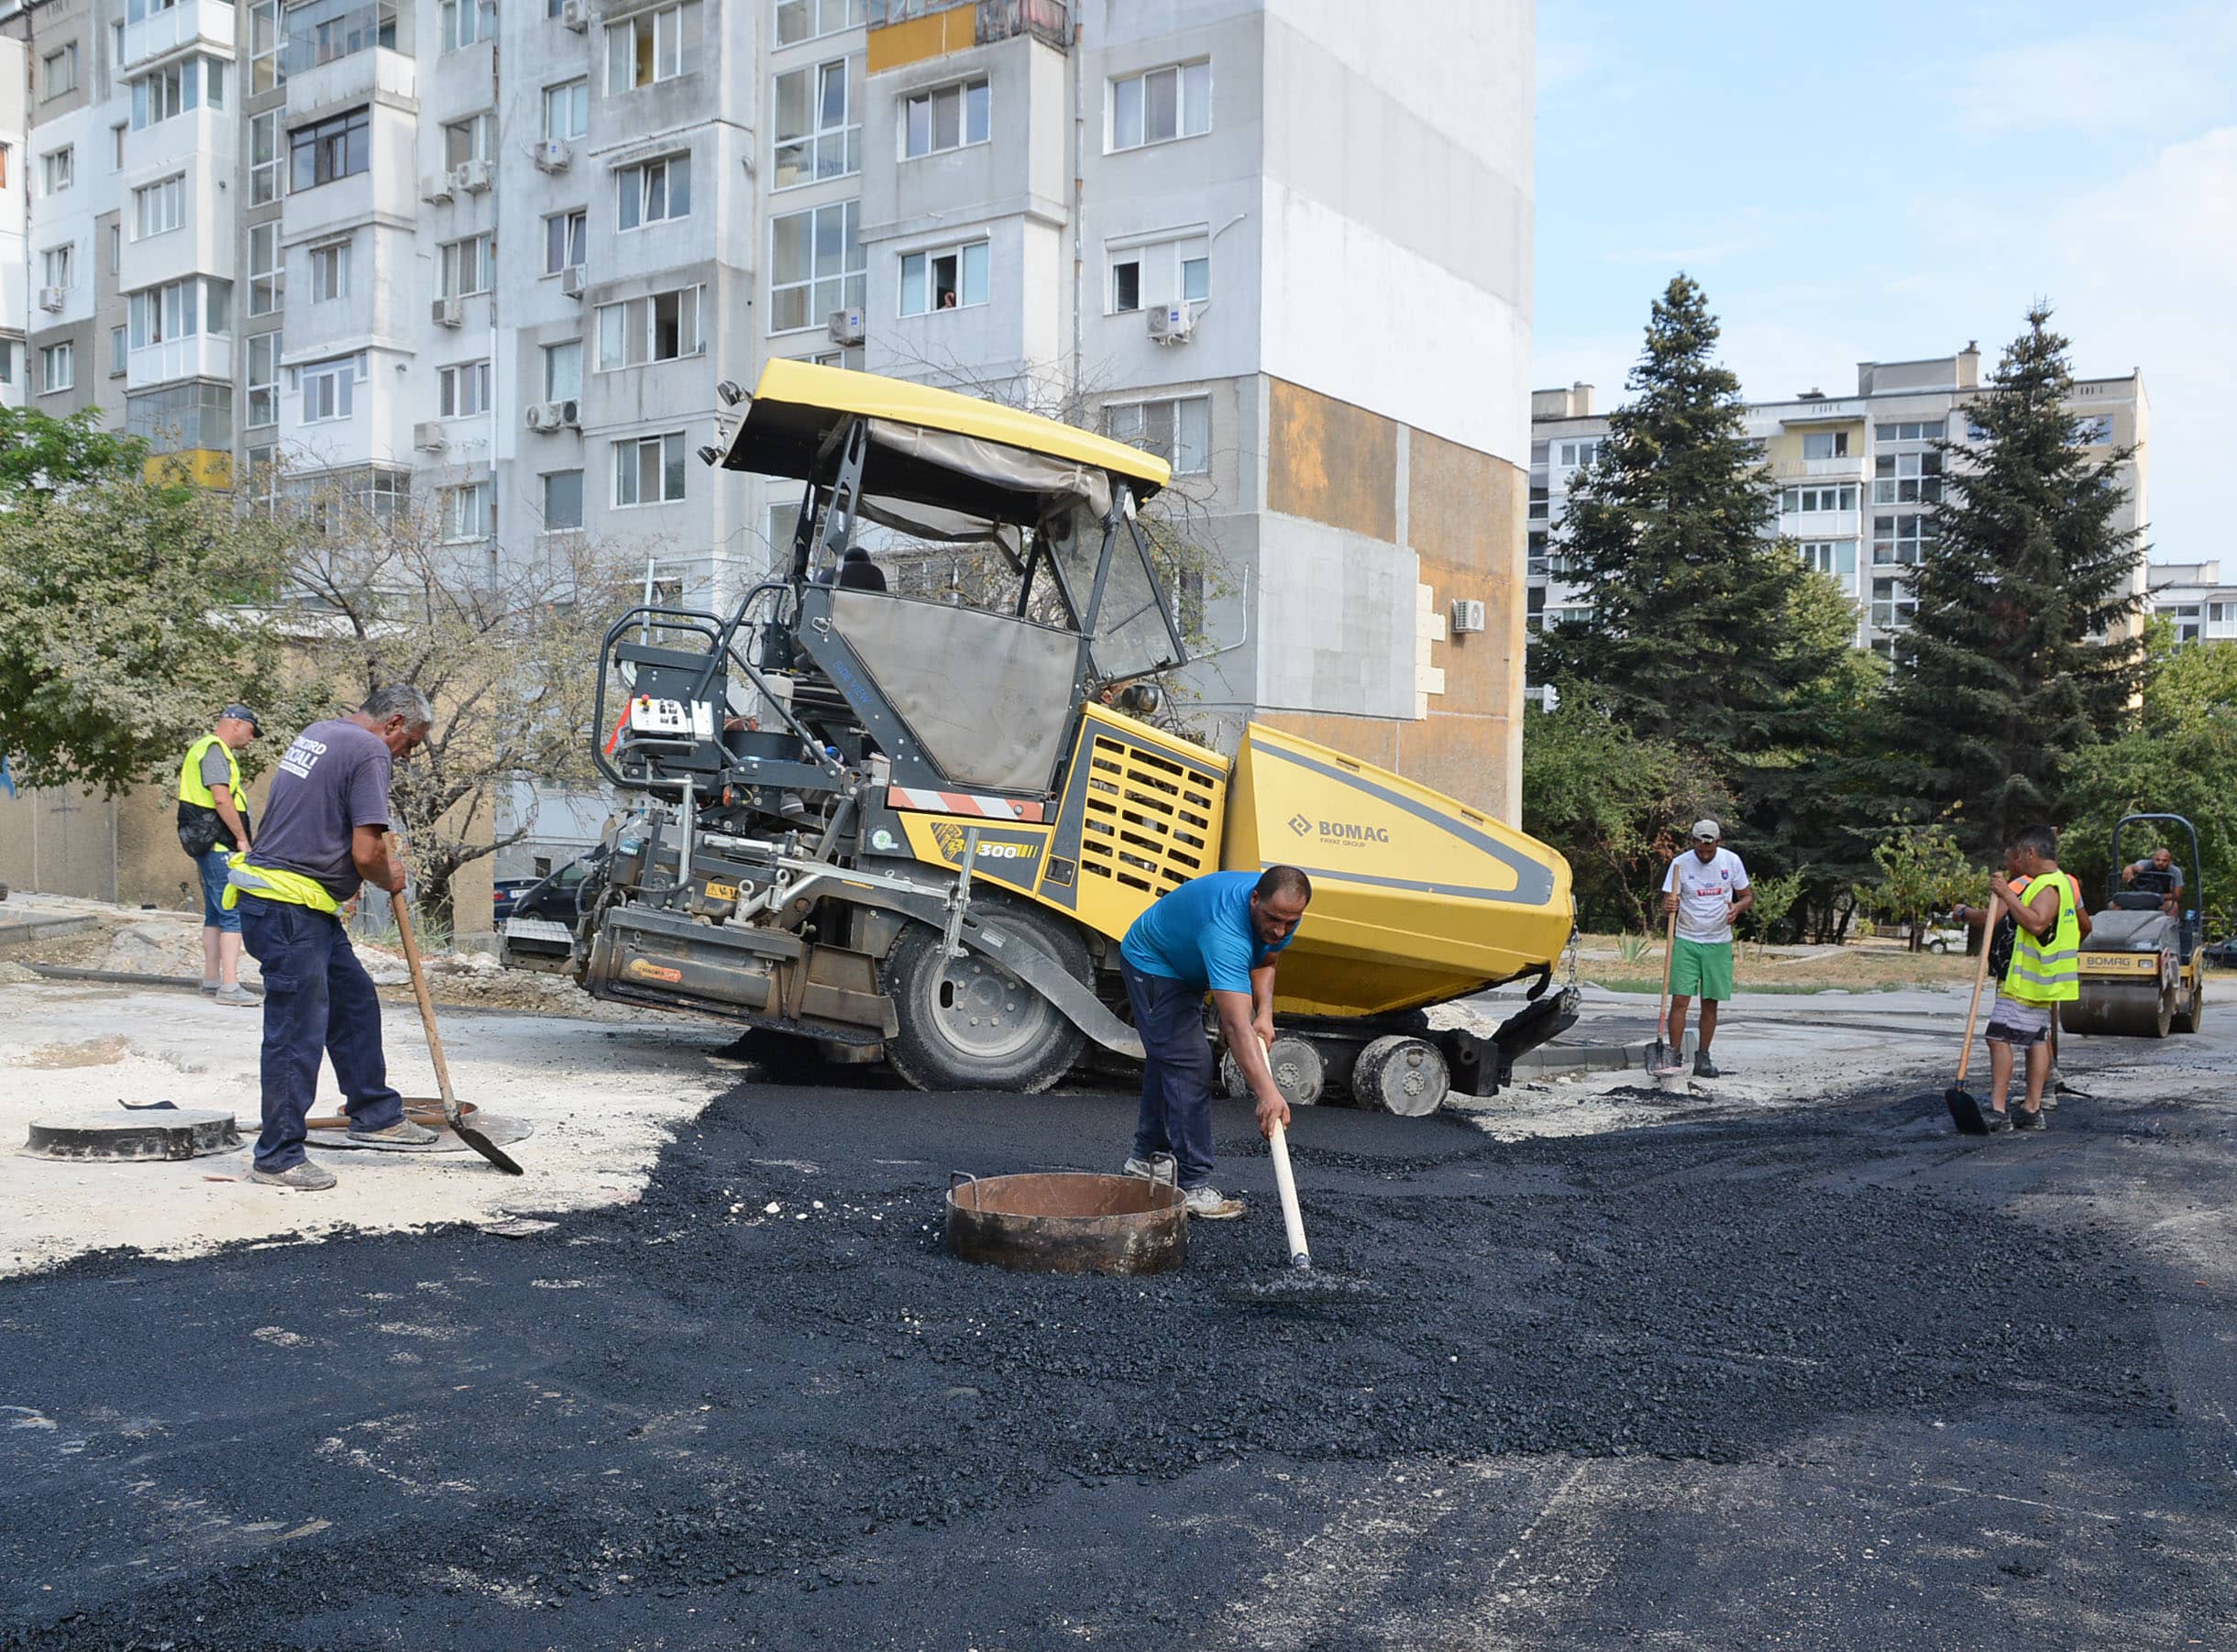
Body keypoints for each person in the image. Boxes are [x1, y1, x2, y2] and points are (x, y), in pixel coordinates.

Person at [229, 687, 438, 1190]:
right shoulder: (369, 750)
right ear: (394, 723)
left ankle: (374, 1114)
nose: (407, 755)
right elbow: (367, 852)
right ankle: (277, 1157)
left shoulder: (322, 732)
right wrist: (390, 876)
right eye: (410, 743)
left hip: (300, 905)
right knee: (295, 1031)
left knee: (354, 1001)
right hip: (288, 907)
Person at [1117, 865, 1311, 1218]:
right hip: (1154, 963)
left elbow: (1267, 960)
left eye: (1290, 922)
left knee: (1169, 1057)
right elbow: (1235, 1027)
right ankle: (1192, 1185)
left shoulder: (1281, 911)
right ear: (1254, 899)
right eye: (1273, 919)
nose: (1280, 930)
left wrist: (1265, 1014)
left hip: (1189, 962)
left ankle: (1146, 1159)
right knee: (1189, 1063)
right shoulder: (1225, 930)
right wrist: (1268, 1094)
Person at [1975, 823, 2079, 1131]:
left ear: (2031, 852)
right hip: (2042, 979)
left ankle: (1998, 1111)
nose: (2018, 861)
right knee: (2036, 1039)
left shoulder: (2049, 885)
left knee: (1997, 1037)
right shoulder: (2059, 882)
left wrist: (2007, 894)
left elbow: (2036, 923)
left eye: (2020, 854)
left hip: (2028, 982)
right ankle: (2032, 1110)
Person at [177, 705, 261, 1006]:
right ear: (236, 724)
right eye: (251, 731)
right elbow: (222, 798)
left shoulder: (205, 748)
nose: (252, 738)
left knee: (214, 913)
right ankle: (230, 987)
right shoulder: (214, 750)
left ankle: (212, 980)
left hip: (206, 843)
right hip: (219, 844)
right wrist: (242, 839)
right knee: (231, 912)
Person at [1658, 820, 1753, 1078]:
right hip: (1687, 940)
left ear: (1718, 843)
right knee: (1680, 1000)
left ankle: (1703, 1058)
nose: (1705, 855)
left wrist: (1737, 907)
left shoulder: (1731, 861)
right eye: (1700, 851)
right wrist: (1668, 905)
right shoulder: (1680, 864)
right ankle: (1674, 1056)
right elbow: (1667, 902)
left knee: (1710, 1002)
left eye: (1709, 851)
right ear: (1693, 842)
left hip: (1718, 942)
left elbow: (1747, 897)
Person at [2121, 846, 2183, 918]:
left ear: (2169, 861)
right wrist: (2130, 868)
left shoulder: (2175, 872)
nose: (2160, 862)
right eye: (2157, 860)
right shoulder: (2145, 864)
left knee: (2173, 905)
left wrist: (2154, 896)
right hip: (2140, 898)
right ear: (2153, 859)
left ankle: (2171, 924)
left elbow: (2177, 895)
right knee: (2114, 904)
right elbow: (2137, 867)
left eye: (2165, 860)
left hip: (2160, 901)